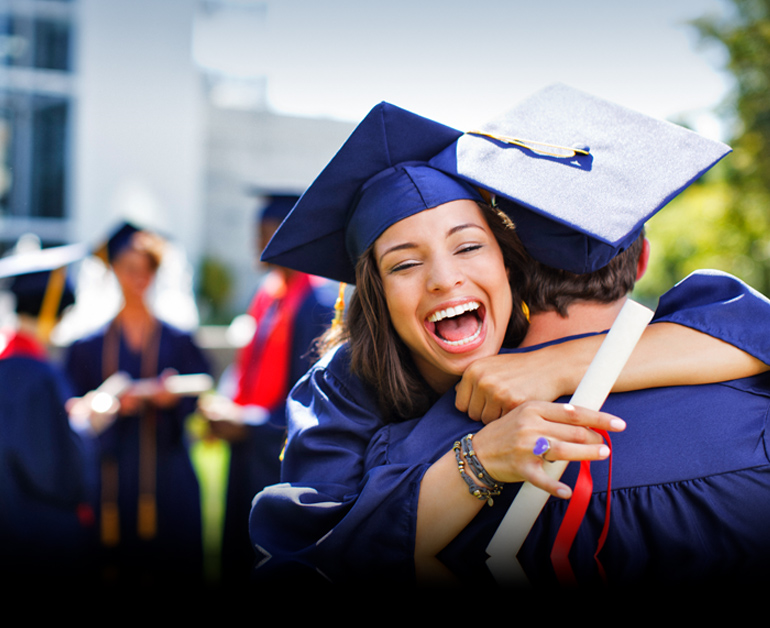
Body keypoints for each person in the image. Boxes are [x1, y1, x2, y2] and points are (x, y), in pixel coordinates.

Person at [247, 93, 770, 585]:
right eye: (404, 263)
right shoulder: (350, 397)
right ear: (375, 292)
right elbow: (308, 558)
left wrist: (559, 365)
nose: (444, 279)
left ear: (509, 267)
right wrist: (476, 461)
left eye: (469, 247)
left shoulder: (410, 456)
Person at [199, 193, 336, 581]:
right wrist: (227, 409)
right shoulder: (268, 296)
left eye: (266, 232)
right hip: (249, 450)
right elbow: (248, 370)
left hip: (280, 455)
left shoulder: (317, 302)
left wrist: (249, 423)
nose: (257, 244)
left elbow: (313, 400)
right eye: (256, 233)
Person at [64, 221, 210, 583]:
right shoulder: (86, 346)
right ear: (113, 271)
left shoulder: (178, 340)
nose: (139, 278)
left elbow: (199, 390)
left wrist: (170, 396)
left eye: (147, 270)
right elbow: (70, 405)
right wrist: (104, 403)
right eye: (130, 269)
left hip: (166, 468)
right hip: (111, 472)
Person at [0, 240, 96, 583]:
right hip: (39, 531)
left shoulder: (7, 365)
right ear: (50, 310)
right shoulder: (38, 375)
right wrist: (85, 427)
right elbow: (53, 466)